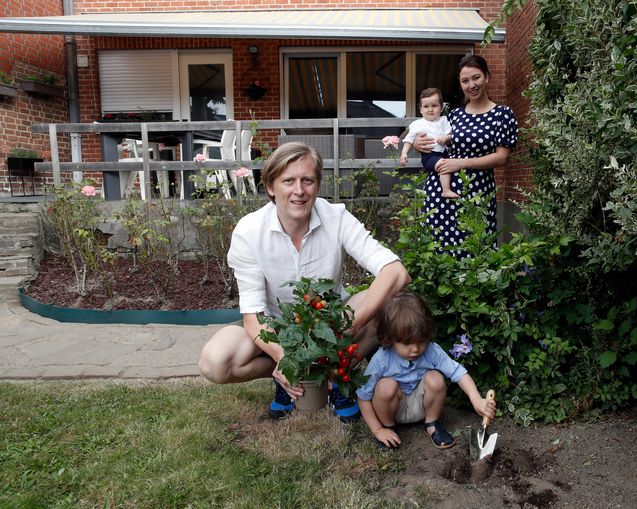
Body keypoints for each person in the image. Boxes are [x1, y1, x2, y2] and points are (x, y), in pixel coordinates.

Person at [199, 142, 410, 423]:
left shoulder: (336, 217)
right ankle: (287, 376)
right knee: (215, 361)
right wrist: (283, 357)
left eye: (307, 180)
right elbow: (253, 318)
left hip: (333, 323)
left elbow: (397, 272)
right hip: (279, 329)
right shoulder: (249, 231)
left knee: (387, 301)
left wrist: (349, 327)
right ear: (271, 187)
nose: (299, 191)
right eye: (288, 181)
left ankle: (339, 376)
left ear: (317, 185)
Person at [356, 291, 496, 450]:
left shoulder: (431, 351)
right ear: (391, 338)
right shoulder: (382, 359)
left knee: (435, 378)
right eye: (407, 343)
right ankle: (388, 428)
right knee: (385, 386)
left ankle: (432, 424)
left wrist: (477, 400)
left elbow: (458, 373)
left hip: (421, 406)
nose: (415, 349)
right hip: (392, 409)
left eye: (421, 341)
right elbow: (363, 397)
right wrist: (377, 430)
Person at [412, 54, 519, 254]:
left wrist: (460, 163)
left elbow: (502, 157)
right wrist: (419, 144)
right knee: (438, 247)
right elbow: (432, 137)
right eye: (465, 81)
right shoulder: (454, 115)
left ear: (486, 77)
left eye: (476, 78)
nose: (472, 85)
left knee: (475, 248)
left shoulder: (503, 114)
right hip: (440, 189)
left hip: (477, 191)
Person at [399, 88, 457, 199]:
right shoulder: (417, 124)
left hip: (444, 152)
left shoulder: (444, 120)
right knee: (444, 165)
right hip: (429, 155)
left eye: (434, 106)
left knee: (448, 164)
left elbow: (450, 135)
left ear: (441, 108)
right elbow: (409, 139)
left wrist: (445, 138)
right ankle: (446, 190)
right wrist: (404, 154)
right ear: (420, 109)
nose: (430, 109)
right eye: (426, 106)